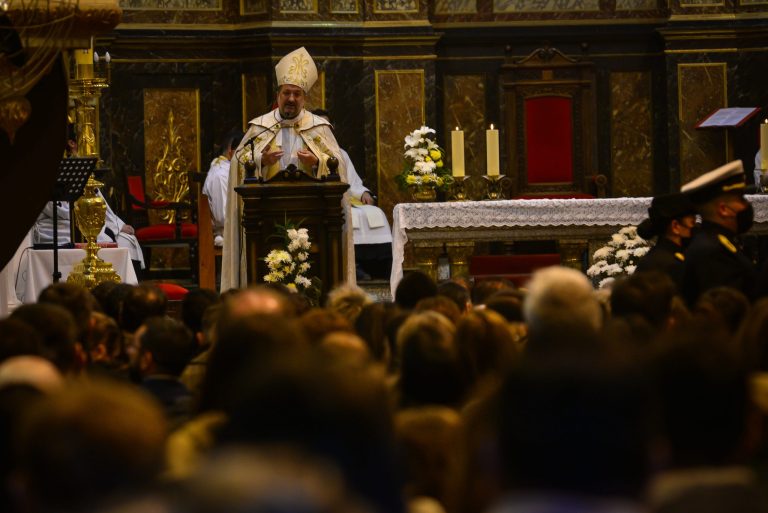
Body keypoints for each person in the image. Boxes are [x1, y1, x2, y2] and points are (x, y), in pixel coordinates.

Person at [222, 47, 354, 291]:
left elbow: (339, 165)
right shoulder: (260, 127)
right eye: (286, 93)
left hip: (312, 216)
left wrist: (318, 163)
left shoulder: (319, 128)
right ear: (278, 95)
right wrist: (261, 161)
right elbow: (238, 162)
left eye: (296, 94)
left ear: (304, 98)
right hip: (266, 216)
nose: (291, 99)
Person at [312, 109, 393, 281]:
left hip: (346, 199)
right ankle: (353, 268)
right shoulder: (305, 152)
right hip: (322, 203)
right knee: (348, 217)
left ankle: (378, 269)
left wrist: (363, 192)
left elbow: (353, 182)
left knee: (374, 213)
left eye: (326, 126)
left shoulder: (341, 153)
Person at [680, 160, 758, 304]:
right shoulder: (712, 252)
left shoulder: (719, 242)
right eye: (741, 200)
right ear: (723, 209)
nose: (746, 206)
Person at [634, 192, 697, 291]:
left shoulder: (661, 256)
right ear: (675, 226)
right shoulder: (670, 264)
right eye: (692, 222)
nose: (695, 228)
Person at [203, 130, 243, 248]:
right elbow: (222, 217)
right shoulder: (221, 175)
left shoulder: (229, 169)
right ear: (231, 149)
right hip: (225, 235)